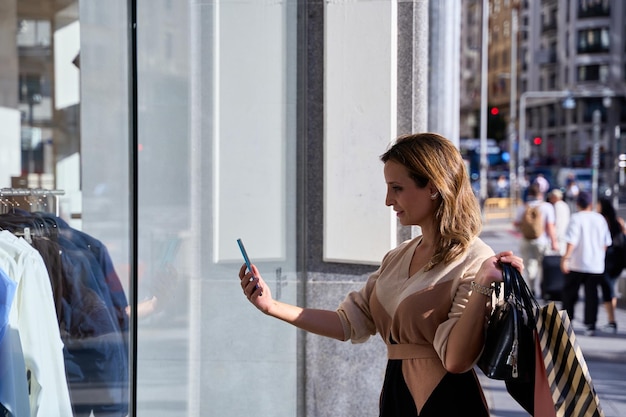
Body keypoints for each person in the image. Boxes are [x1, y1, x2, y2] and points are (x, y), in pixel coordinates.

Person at [238, 133, 524, 417]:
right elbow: (347, 323)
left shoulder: (476, 259)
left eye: (397, 188)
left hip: (444, 401)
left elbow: (456, 360)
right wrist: (272, 306)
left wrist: (485, 284)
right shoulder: (398, 256)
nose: (388, 200)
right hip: (397, 396)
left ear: (434, 187)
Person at [561, 191, 612, 336]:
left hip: (576, 263)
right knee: (592, 296)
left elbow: (572, 241)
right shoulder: (600, 219)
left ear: (577, 204)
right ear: (591, 204)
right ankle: (590, 325)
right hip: (595, 265)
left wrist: (565, 258)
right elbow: (606, 243)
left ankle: (567, 322)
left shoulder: (576, 218)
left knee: (570, 294)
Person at [513, 183, 559, 295]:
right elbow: (550, 226)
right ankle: (543, 289)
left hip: (526, 240)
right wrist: (554, 242)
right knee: (543, 266)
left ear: (529, 193)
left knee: (529, 265)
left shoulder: (523, 207)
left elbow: (516, 224)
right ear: (540, 193)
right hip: (542, 241)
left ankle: (532, 288)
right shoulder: (547, 207)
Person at [597, 197, 624, 333]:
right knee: (610, 287)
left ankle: (612, 321)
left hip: (608, 259)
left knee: (607, 288)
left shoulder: (602, 221)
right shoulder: (618, 221)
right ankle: (611, 320)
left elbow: (603, 242)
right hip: (619, 260)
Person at [547, 188, 570, 256]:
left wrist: (553, 237)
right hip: (564, 234)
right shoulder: (565, 205)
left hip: (558, 236)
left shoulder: (557, 206)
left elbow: (556, 223)